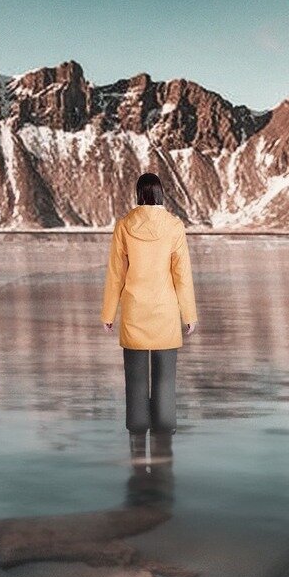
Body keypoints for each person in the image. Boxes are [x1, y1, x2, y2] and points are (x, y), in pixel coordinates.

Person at [100, 172, 196, 446]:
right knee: (165, 380)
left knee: (136, 380)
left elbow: (115, 274)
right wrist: (189, 314)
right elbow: (182, 275)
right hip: (165, 312)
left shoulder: (124, 226)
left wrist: (108, 313)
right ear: (160, 195)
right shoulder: (174, 226)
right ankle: (165, 426)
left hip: (134, 312)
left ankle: (138, 428)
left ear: (138, 195)